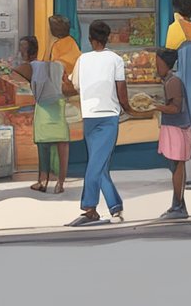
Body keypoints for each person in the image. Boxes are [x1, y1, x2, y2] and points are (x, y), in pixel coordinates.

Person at [66, 20, 147, 227]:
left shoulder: (82, 60)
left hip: (89, 116)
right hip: (109, 116)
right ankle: (110, 206)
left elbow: (74, 85)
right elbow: (121, 89)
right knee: (98, 164)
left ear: (89, 38)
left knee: (96, 162)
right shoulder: (115, 60)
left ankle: (90, 208)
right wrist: (129, 109)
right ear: (108, 37)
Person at [13, 35, 69, 194]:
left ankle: (42, 182)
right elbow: (66, 84)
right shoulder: (57, 66)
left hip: (43, 108)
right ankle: (60, 184)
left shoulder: (27, 67)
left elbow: (12, 76)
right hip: (58, 107)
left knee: (43, 147)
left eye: (22, 49)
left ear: (24, 51)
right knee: (62, 146)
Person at [152, 49, 191, 220]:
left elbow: (176, 108)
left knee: (177, 167)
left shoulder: (173, 82)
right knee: (175, 167)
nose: (156, 67)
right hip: (173, 128)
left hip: (177, 129)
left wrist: (155, 106)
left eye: (158, 63)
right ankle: (177, 205)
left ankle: (178, 206)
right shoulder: (169, 81)